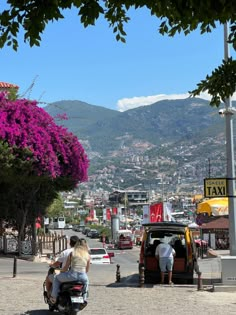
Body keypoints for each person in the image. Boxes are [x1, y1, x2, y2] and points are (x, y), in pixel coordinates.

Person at [50, 239, 90, 309]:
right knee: (86, 283)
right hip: (83, 276)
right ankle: (84, 299)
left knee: (56, 278)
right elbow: (87, 270)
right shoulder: (88, 255)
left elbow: (66, 268)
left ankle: (54, 297)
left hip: (72, 275)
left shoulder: (72, 253)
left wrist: (61, 271)